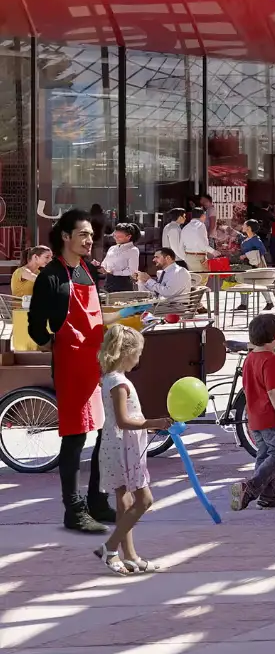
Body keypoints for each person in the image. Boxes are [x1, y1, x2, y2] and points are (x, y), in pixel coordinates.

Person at [29, 211, 108, 533]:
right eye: (83, 235)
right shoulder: (50, 276)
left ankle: (97, 501)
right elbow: (36, 326)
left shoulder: (86, 270)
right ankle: (73, 510)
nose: (89, 240)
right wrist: (55, 344)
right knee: (75, 437)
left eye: (91, 235)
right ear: (65, 236)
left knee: (105, 431)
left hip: (97, 361)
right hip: (72, 364)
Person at [94, 323, 160, 575]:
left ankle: (130, 556)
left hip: (116, 444)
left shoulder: (110, 379)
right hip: (125, 447)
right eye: (138, 353)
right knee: (144, 500)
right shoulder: (119, 383)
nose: (139, 358)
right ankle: (110, 548)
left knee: (125, 500)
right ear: (126, 352)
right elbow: (123, 420)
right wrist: (153, 422)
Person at [233, 312, 275, 510]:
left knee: (264, 455)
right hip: (272, 417)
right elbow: (273, 391)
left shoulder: (251, 358)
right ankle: (251, 488)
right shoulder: (271, 360)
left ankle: (270, 496)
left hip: (255, 416)